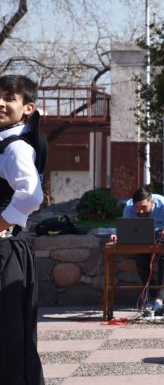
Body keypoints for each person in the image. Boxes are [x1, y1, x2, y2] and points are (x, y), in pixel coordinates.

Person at [0, 75, 45, 384]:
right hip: (7, 251)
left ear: (28, 107)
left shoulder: (16, 147)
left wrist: (2, 222)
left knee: (9, 338)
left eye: (9, 98)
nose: (1, 103)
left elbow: (32, 194)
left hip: (6, 253)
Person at [119, 187, 164, 310]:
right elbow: (127, 231)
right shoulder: (129, 208)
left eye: (143, 207)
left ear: (152, 201)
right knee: (141, 260)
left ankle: (159, 300)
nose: (140, 211)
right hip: (142, 239)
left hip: (162, 238)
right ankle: (151, 297)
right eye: (137, 208)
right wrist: (119, 235)